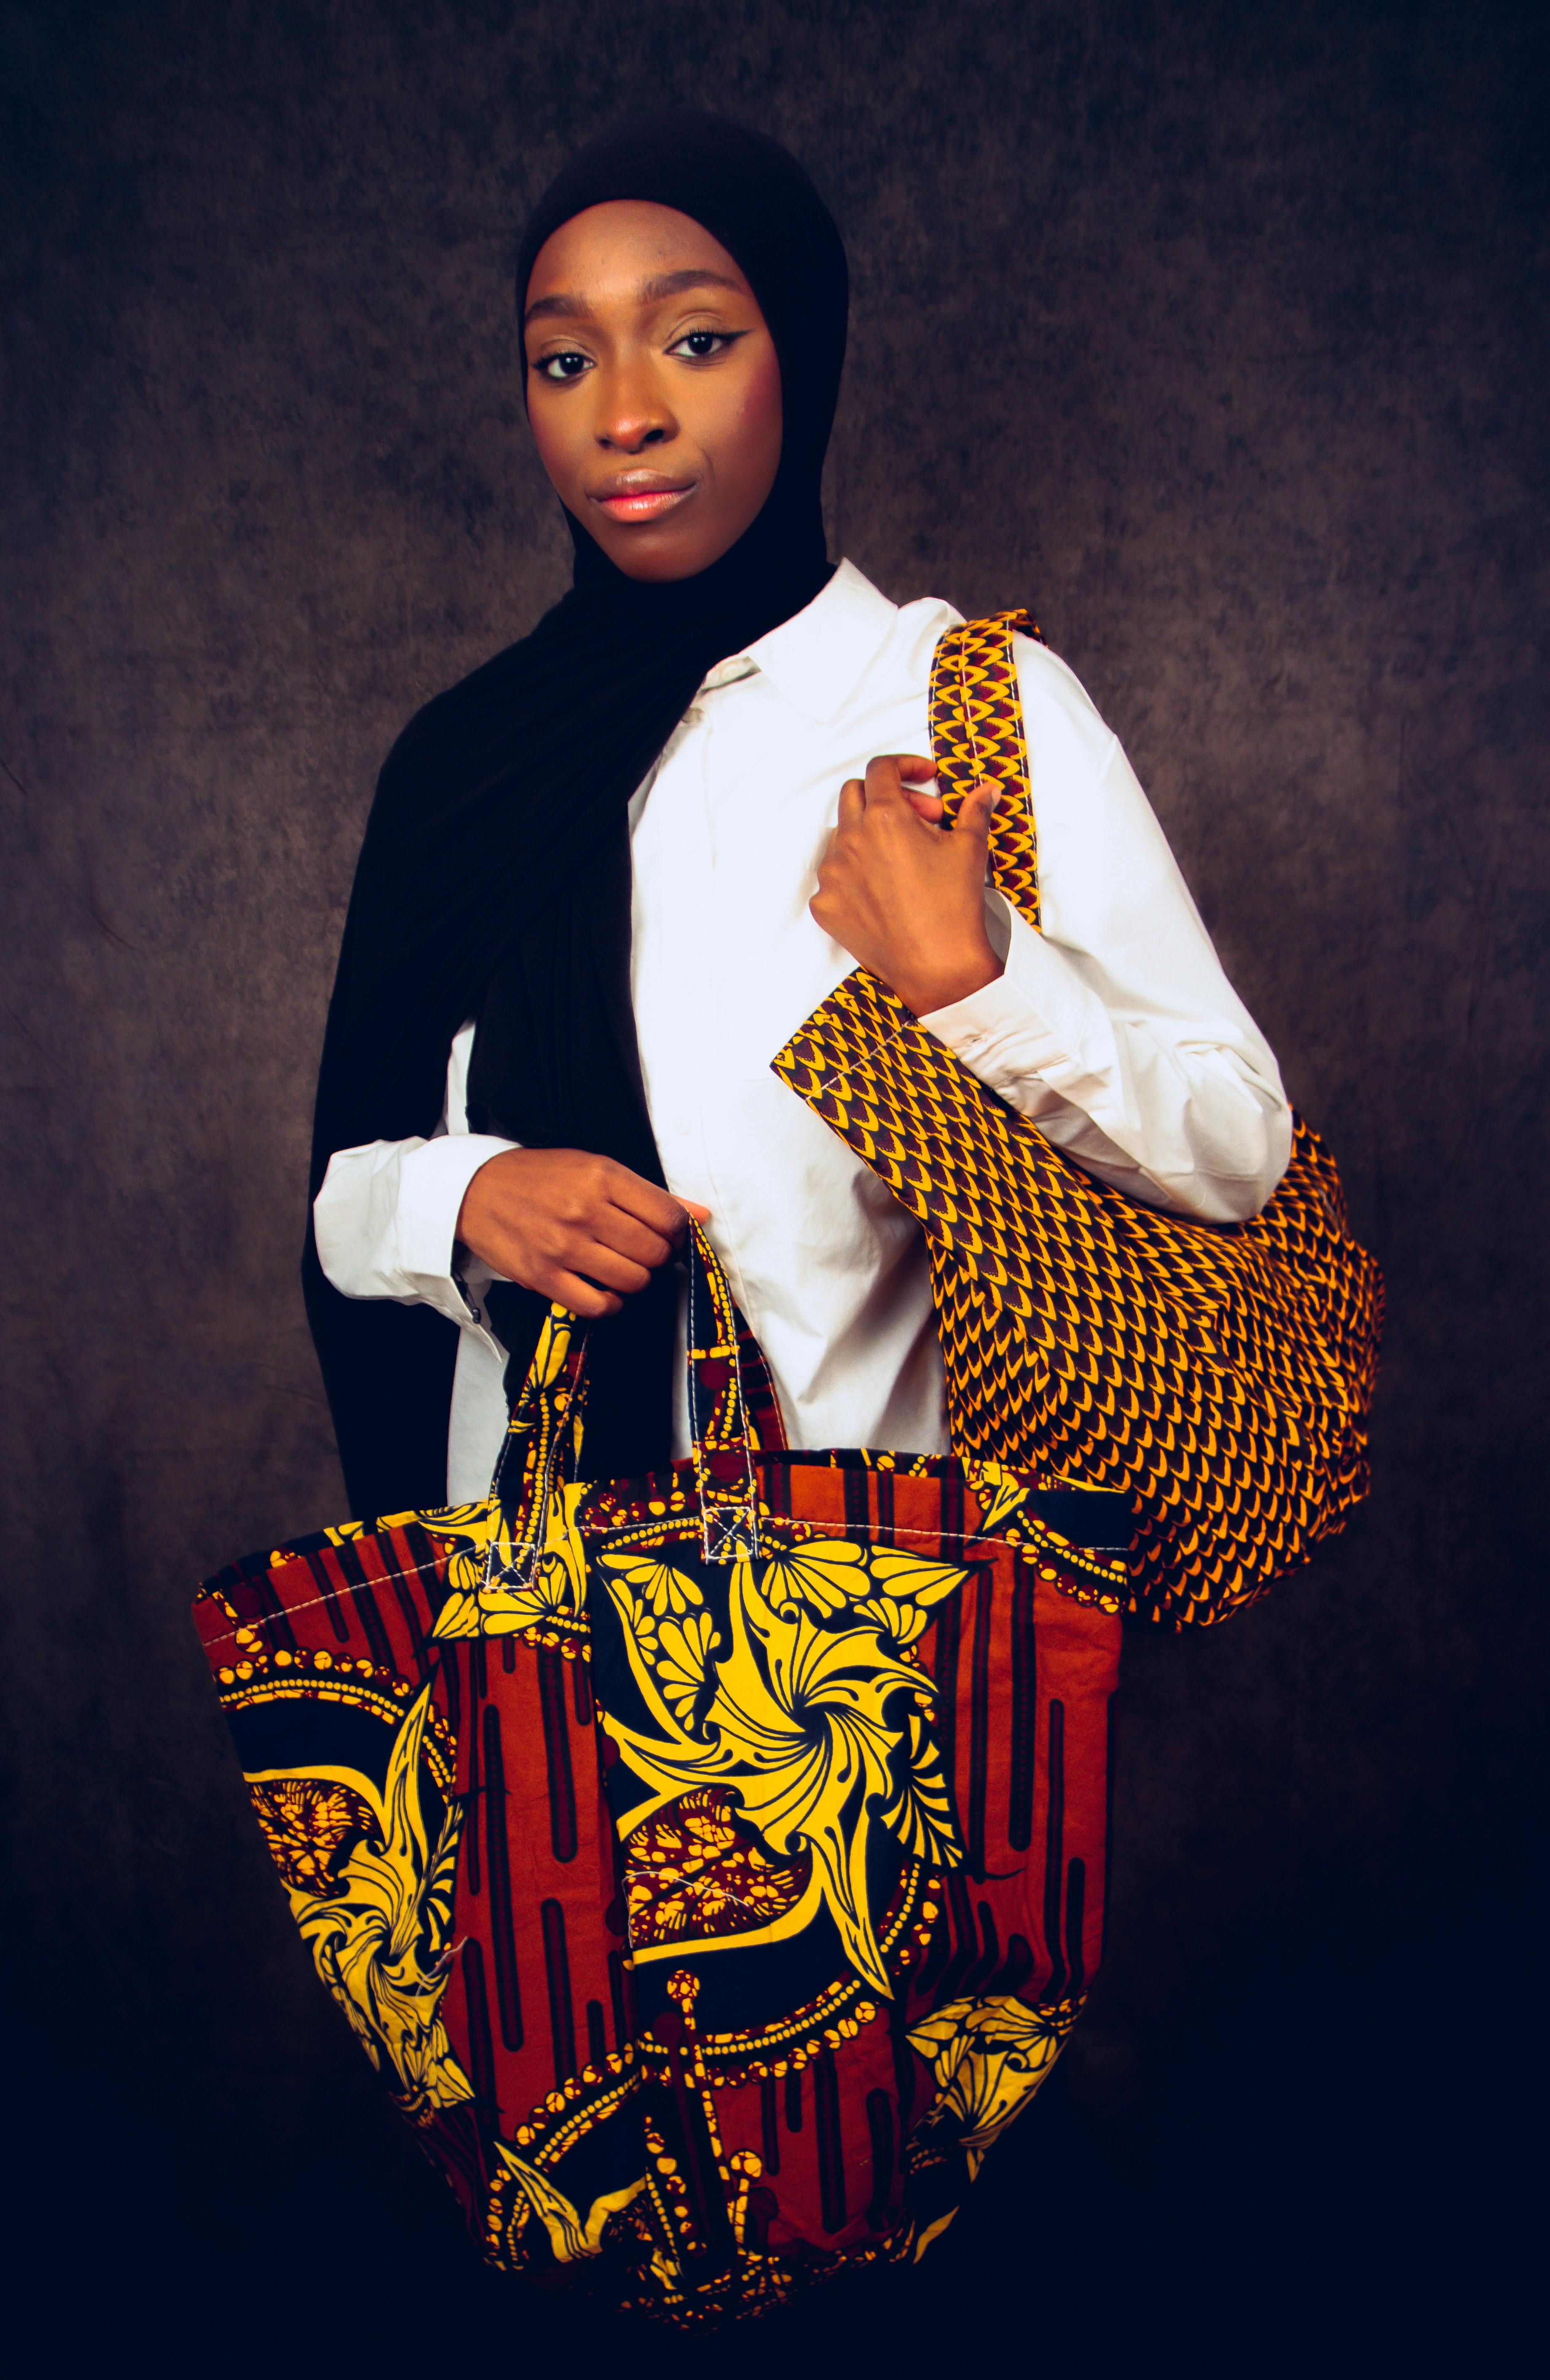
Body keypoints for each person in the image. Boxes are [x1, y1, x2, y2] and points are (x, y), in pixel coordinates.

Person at [305, 110, 1291, 1531]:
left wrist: (974, 985)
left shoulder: (966, 708)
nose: (623, 414)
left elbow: (1237, 1149)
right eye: (564, 360)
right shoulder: (468, 764)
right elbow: (338, 1208)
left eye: (696, 341)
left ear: (804, 355)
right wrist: (459, 1199)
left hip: (882, 1649)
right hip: (535, 1633)